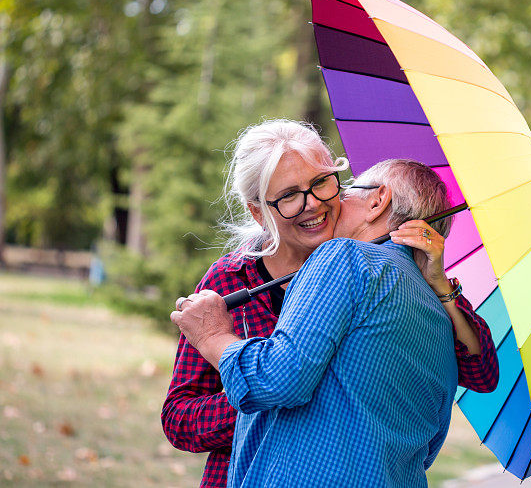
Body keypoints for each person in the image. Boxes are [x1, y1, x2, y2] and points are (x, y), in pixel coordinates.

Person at [162, 120, 498, 488]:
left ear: (376, 199)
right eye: (289, 196)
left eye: (322, 183)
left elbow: (482, 373)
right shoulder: (230, 280)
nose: (314, 204)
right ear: (259, 212)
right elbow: (181, 418)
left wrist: (442, 286)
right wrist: (299, 393)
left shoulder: (377, 274)